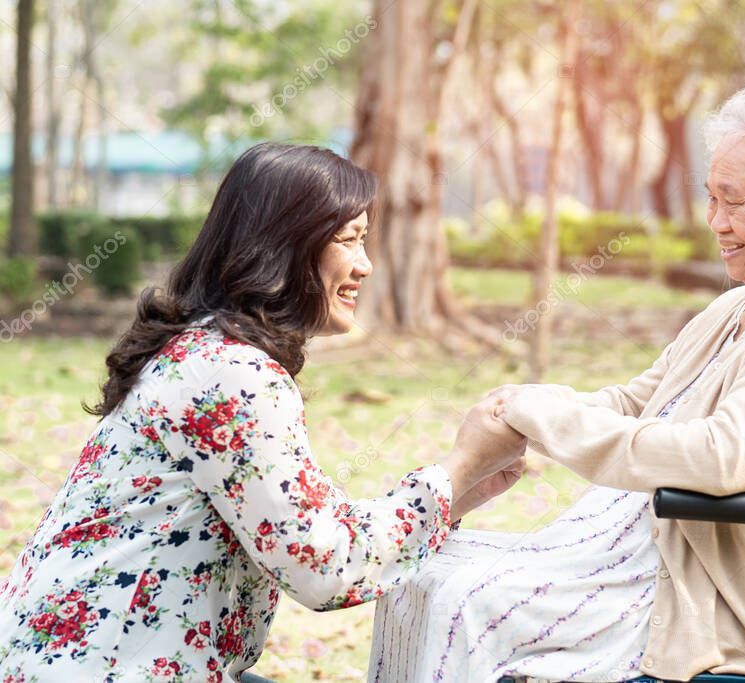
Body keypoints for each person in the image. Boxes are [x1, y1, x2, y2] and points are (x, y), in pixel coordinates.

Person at [370, 75, 745, 682]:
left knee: (464, 604)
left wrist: (550, 421)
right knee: (414, 575)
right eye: (711, 197)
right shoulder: (741, 304)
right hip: (632, 558)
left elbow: (723, 459)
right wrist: (523, 409)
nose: (713, 220)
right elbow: (638, 401)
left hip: (703, 599)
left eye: (733, 201)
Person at [0, 143, 526, 682]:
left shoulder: (202, 351)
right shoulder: (231, 375)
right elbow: (322, 568)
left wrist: (465, 489)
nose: (365, 265)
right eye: (349, 240)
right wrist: (459, 467)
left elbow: (314, 525)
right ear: (286, 245)